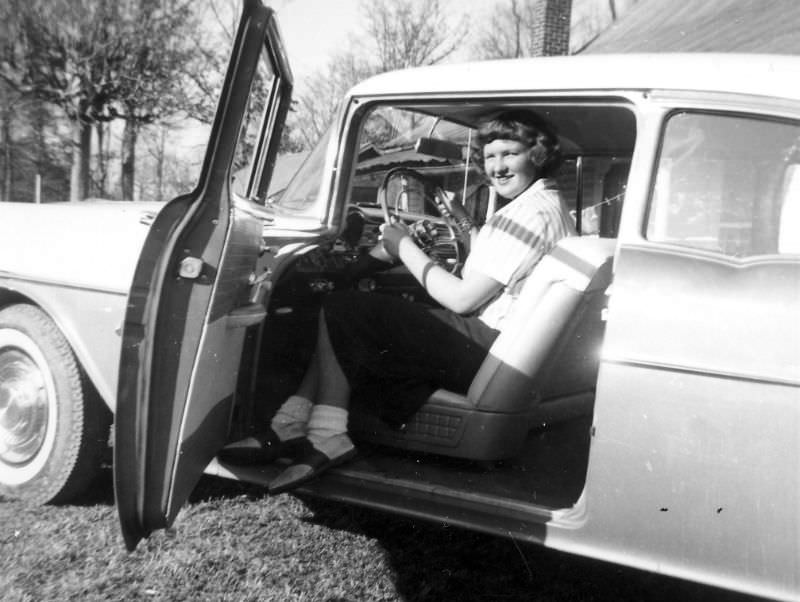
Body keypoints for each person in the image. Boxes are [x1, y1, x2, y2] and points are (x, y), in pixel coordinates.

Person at [219, 109, 576, 493]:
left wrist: (401, 246)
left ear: (537, 155)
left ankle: (324, 434)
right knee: (351, 316)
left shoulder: (529, 214)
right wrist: (459, 230)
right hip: (503, 345)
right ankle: (290, 424)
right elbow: (492, 277)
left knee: (344, 306)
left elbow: (462, 298)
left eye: (509, 154)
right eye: (490, 157)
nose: (497, 167)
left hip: (489, 346)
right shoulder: (542, 206)